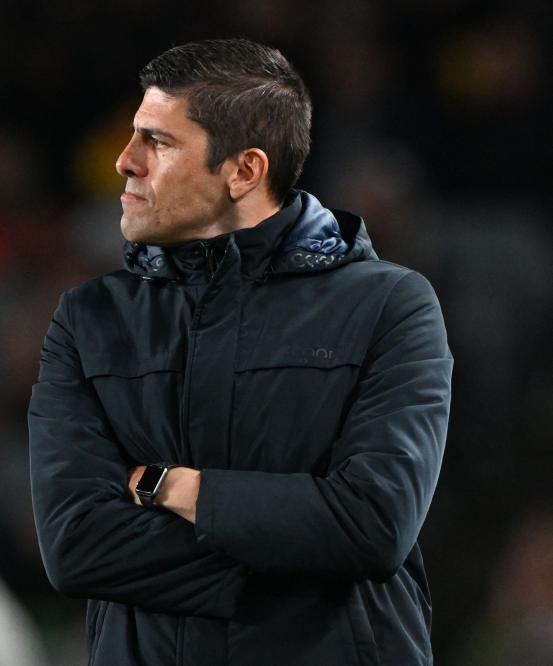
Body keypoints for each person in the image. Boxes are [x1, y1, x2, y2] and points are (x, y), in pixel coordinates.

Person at [29, 38, 452, 665]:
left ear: (244, 171)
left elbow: (373, 525)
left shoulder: (391, 306)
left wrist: (170, 487)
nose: (124, 161)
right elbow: (76, 547)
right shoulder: (90, 320)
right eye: (133, 135)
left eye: (159, 142)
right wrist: (299, 558)